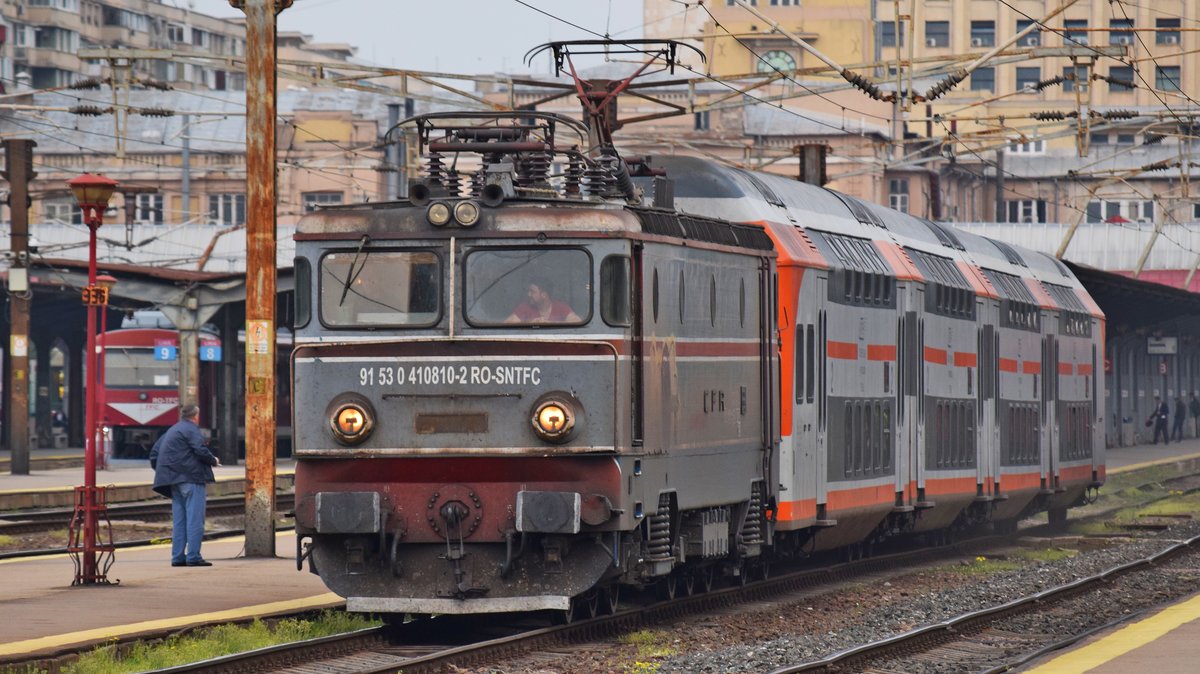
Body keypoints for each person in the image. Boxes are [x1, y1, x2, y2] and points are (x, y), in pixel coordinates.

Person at [150, 404, 220, 567]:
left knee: (179, 521)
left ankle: (177, 557)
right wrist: (213, 461)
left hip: (173, 481)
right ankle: (194, 556)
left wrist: (166, 470)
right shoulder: (191, 429)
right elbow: (200, 450)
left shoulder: (173, 430)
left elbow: (154, 453)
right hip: (191, 479)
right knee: (195, 520)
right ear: (196, 416)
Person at [505, 276, 580, 324]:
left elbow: (577, 322)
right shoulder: (525, 307)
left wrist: (549, 324)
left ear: (544, 295)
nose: (529, 294)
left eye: (532, 292)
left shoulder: (560, 307)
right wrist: (529, 323)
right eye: (529, 291)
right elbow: (507, 323)